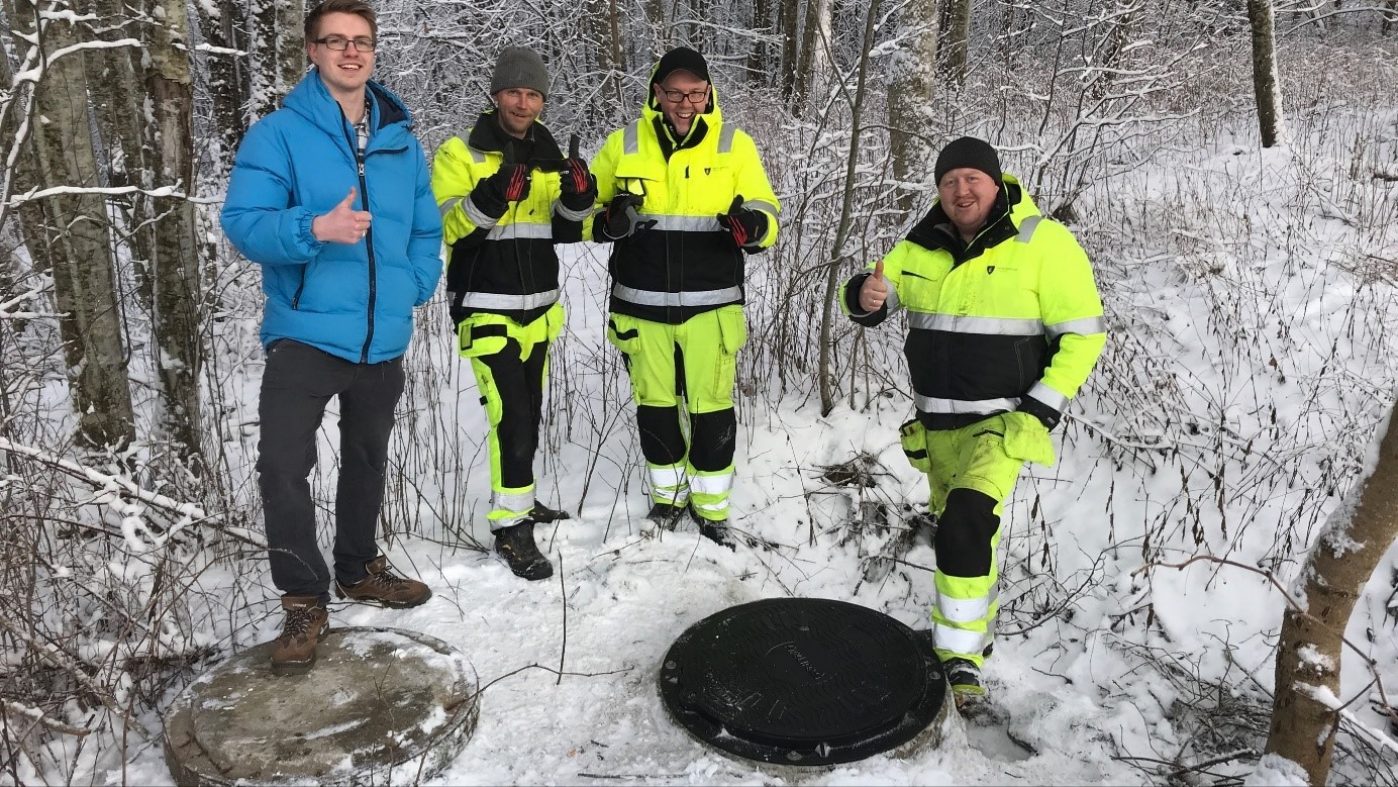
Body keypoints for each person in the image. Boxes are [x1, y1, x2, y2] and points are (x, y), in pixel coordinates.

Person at [842, 137, 1106, 706]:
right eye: (949, 182)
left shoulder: (1043, 242)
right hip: (936, 424)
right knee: (960, 533)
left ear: (995, 182)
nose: (961, 191)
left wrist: (1043, 402)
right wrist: (863, 295)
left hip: (1003, 422)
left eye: (972, 179)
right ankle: (967, 637)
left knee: (965, 523)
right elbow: (876, 294)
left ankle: (958, 660)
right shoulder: (921, 244)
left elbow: (1084, 334)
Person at [221, 0, 443, 675]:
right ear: (312, 51)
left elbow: (425, 232)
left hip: (383, 337)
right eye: (336, 41)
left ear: (374, 51)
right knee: (283, 468)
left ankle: (358, 567)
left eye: (363, 41)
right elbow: (243, 223)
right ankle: (303, 597)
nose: (352, 52)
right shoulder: (278, 136)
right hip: (306, 335)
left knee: (369, 458)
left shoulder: (401, 139)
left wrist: (413, 285)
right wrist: (312, 230)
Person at [590, 47, 779, 547]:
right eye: (674, 92)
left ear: (708, 93)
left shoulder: (734, 146)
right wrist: (609, 222)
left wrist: (755, 226)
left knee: (710, 408)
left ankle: (712, 509)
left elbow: (767, 211)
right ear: (657, 93)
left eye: (695, 92)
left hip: (712, 309)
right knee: (654, 406)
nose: (685, 102)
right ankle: (668, 499)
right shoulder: (623, 144)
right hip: (640, 306)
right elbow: (585, 211)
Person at [430, 47, 594, 581]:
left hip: (539, 311)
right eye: (514, 92)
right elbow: (448, 227)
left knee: (530, 412)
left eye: (533, 94)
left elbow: (567, 231)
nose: (523, 103)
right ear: (495, 95)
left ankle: (520, 500)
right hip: (485, 308)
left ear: (542, 101)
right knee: (511, 417)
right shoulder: (462, 153)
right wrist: (493, 194)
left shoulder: (549, 154)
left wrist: (579, 197)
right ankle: (511, 528)